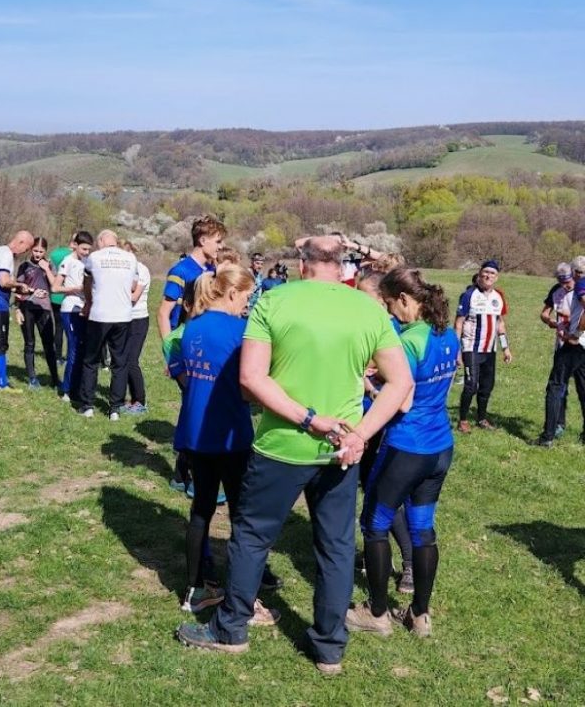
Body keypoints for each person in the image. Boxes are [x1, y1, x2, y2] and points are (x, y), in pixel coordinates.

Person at [176, 236, 412, 675]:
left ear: (302, 265)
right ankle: (329, 648)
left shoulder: (274, 300)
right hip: (341, 449)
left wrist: (308, 419)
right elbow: (401, 383)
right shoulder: (368, 310)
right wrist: (361, 434)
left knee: (252, 536)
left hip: (282, 445)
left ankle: (231, 629)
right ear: (341, 268)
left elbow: (251, 378)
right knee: (336, 547)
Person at [346, 267, 459, 638]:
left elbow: (403, 400)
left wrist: (369, 387)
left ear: (406, 299)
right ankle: (420, 614)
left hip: (406, 447)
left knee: (374, 524)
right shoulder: (447, 334)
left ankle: (377, 613)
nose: (390, 311)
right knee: (422, 528)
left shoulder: (409, 341)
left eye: (391, 303)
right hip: (439, 446)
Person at [171, 263, 281, 616]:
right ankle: (247, 587)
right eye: (247, 298)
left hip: (196, 431)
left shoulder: (192, 326)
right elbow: (251, 383)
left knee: (201, 508)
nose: (248, 305)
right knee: (242, 512)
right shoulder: (240, 330)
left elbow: (187, 376)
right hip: (230, 433)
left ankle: (194, 589)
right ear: (232, 292)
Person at [355, 270, 414, 594]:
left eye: (362, 294)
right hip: (363, 416)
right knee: (370, 489)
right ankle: (375, 554)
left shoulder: (389, 329)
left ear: (380, 298)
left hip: (379, 421)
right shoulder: (369, 323)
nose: (356, 298)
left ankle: (409, 563)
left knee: (383, 495)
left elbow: (395, 378)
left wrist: (366, 375)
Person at [158, 217, 221, 488]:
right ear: (203, 240)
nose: (220, 246)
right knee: (197, 410)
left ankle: (181, 474)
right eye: (218, 241)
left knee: (194, 409)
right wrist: (172, 357)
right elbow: (163, 313)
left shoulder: (212, 269)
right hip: (186, 353)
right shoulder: (182, 270)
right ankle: (193, 475)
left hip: (205, 351)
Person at [77, 229, 138, 420]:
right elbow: (134, 286)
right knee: (119, 363)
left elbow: (86, 282)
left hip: (99, 315)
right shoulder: (130, 258)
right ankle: (115, 408)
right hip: (123, 315)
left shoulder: (94, 257)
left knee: (91, 360)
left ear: (102, 241)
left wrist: (88, 301)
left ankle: (87, 405)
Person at [455, 260, 512, 433]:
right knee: (471, 385)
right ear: (480, 274)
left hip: (490, 350)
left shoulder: (498, 296)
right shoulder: (469, 295)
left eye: (492, 273)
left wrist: (505, 348)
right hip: (471, 347)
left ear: (497, 277)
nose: (488, 276)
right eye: (485, 272)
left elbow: (500, 324)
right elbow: (458, 323)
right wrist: (456, 350)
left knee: (487, 386)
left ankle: (481, 418)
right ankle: (463, 420)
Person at [534, 256, 585, 447]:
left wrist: (576, 333)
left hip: (575, 344)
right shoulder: (558, 290)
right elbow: (545, 313)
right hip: (573, 345)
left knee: (555, 386)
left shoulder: (581, 285)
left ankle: (547, 436)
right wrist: (553, 322)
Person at [0, 230, 35, 392]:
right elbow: (3, 281)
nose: (25, 252)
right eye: (27, 248)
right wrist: (20, 285)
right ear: (21, 242)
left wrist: (16, 289)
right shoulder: (7, 254)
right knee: (0, 343)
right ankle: (2, 384)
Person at [15, 237, 61, 389]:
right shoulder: (24, 266)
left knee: (49, 345)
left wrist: (47, 269)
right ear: (31, 250)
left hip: (44, 309)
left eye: (41, 251)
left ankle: (55, 379)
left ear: (45, 251)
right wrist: (17, 308)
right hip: (27, 308)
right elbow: (18, 288)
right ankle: (32, 379)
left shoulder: (50, 266)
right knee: (29, 343)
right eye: (35, 250)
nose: (38, 254)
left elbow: (55, 286)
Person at [53, 231, 94, 402]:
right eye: (84, 249)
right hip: (70, 309)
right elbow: (55, 287)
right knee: (74, 348)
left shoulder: (88, 262)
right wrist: (75, 289)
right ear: (75, 245)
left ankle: (78, 388)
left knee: (83, 349)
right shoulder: (67, 262)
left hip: (85, 309)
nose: (86, 252)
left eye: (89, 249)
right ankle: (67, 390)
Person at [120, 240, 150, 413]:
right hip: (122, 319)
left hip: (138, 319)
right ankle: (125, 399)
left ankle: (140, 400)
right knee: (122, 360)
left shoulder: (141, 270)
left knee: (131, 360)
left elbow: (134, 297)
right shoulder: (121, 271)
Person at [49, 235, 73, 362]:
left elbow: (50, 272)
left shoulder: (55, 253)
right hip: (69, 295)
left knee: (58, 327)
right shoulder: (74, 256)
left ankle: (58, 356)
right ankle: (70, 355)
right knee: (71, 328)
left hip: (55, 296)